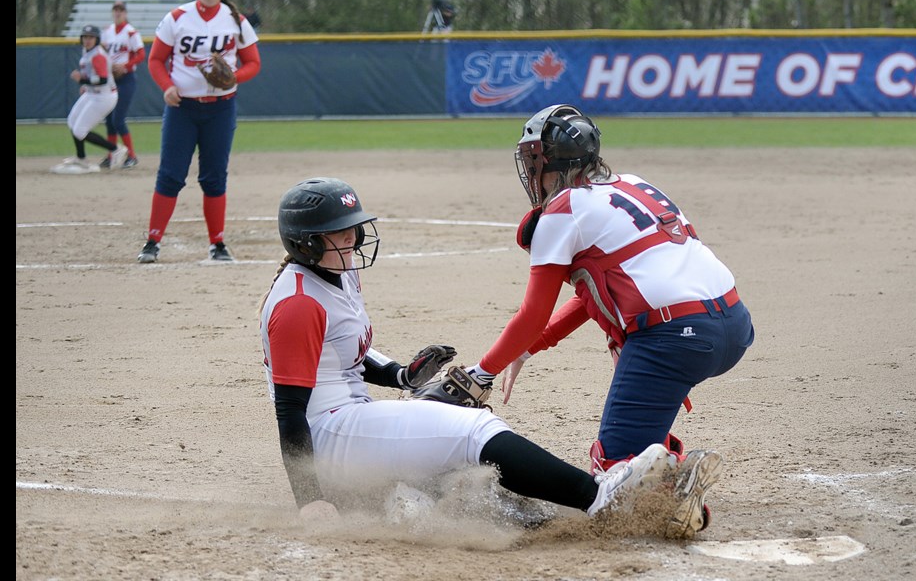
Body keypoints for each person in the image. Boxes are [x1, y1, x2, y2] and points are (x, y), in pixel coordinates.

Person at [257, 176, 720, 537]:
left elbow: (344, 354)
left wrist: (401, 375)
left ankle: (433, 504)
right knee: (473, 429)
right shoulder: (299, 303)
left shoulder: (333, 276)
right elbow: (289, 410)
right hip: (331, 436)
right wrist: (309, 497)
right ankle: (598, 498)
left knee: (459, 455)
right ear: (307, 244)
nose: (354, 239)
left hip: (349, 421)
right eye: (339, 233)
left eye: (353, 228)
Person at [424, 104, 755, 538]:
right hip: (731, 323)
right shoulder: (635, 184)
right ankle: (661, 458)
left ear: (549, 162)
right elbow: (595, 295)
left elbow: (532, 312)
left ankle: (675, 489)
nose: (529, 171)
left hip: (674, 339)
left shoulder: (562, 208)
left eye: (532, 160)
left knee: (610, 478)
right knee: (640, 416)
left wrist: (481, 374)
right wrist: (531, 345)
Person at [137, 0, 261, 264]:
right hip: (183, 108)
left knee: (214, 177)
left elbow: (253, 63)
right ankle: (153, 240)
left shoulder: (236, 20)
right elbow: (155, 60)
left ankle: (217, 243)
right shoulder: (178, 17)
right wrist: (167, 86)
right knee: (170, 175)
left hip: (221, 109)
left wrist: (234, 78)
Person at [50, 25, 129, 175]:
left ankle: (116, 150)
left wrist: (83, 80)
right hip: (93, 93)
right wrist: (86, 85)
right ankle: (81, 158)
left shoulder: (97, 55)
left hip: (104, 96)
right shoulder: (88, 52)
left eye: (91, 37)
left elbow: (103, 79)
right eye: (85, 37)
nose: (87, 40)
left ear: (97, 39)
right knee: (72, 121)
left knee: (80, 130)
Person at [98, 0, 144, 170]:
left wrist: (125, 66)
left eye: (121, 10)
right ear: (113, 12)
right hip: (110, 79)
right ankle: (111, 155)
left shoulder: (131, 32)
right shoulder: (107, 31)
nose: (118, 12)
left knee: (118, 119)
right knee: (109, 120)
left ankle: (131, 156)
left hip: (126, 79)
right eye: (115, 10)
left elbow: (141, 54)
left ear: (125, 13)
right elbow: (101, 53)